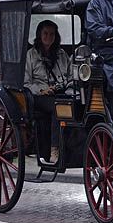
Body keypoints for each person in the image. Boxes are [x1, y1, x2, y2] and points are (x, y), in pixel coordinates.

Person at [24, 20, 71, 163]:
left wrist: (64, 87)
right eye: (45, 33)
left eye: (52, 34)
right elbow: (26, 82)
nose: (48, 37)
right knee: (58, 107)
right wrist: (42, 90)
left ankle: (73, 148)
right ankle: (54, 150)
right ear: (39, 34)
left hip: (59, 93)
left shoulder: (61, 54)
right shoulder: (31, 55)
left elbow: (70, 77)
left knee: (73, 103)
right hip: (37, 97)